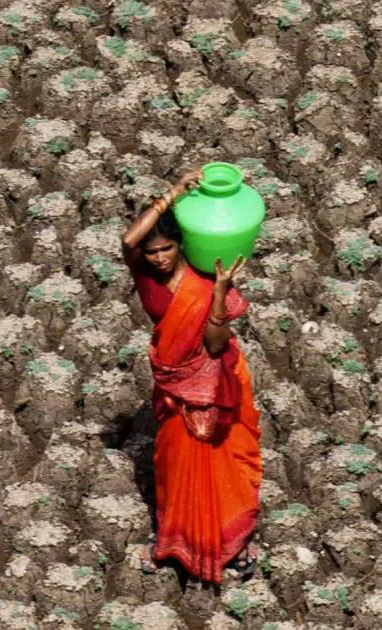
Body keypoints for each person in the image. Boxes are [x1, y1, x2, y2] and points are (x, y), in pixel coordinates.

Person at [120, 169, 263, 585]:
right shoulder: (146, 277)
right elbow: (130, 241)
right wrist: (172, 194)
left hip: (215, 383)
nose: (158, 257)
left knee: (225, 464)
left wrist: (219, 291)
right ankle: (178, 543)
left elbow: (216, 346)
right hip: (176, 386)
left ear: (182, 245)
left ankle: (230, 545)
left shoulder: (204, 282)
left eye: (166, 248)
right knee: (175, 465)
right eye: (152, 252)